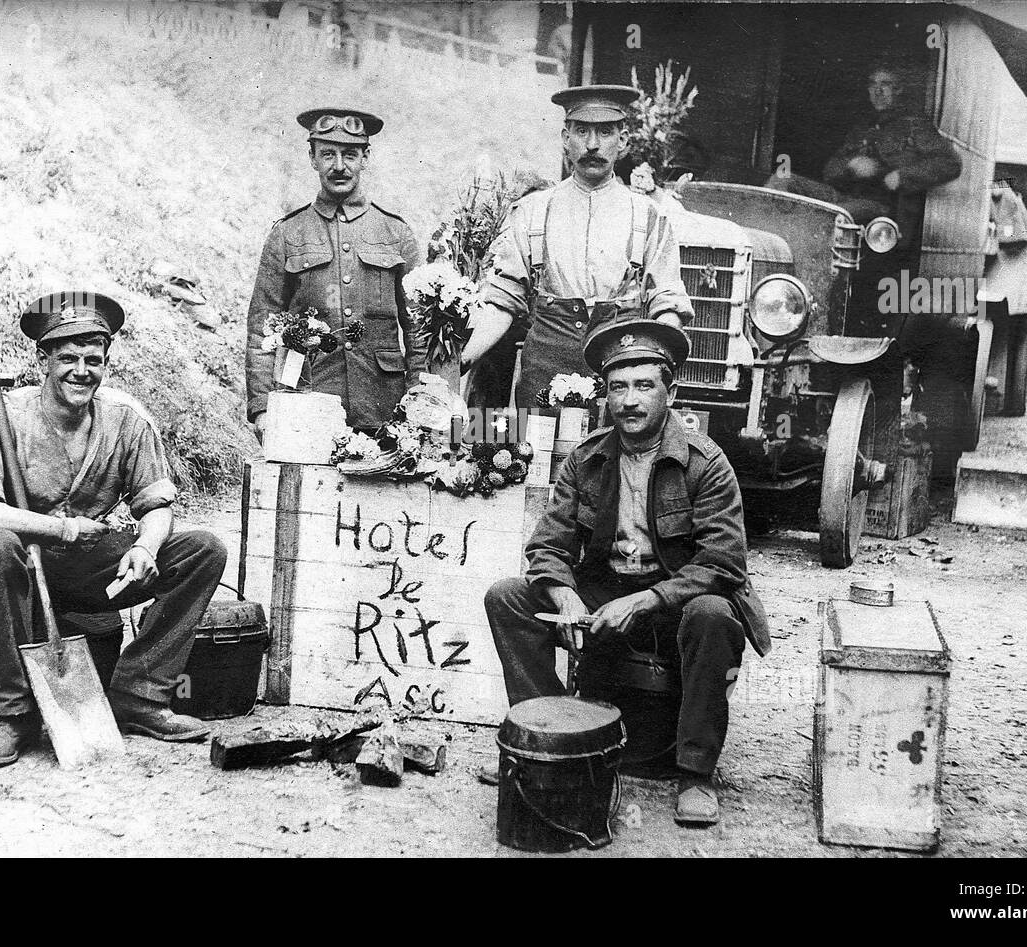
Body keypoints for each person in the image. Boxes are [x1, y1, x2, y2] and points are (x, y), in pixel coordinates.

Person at [483, 319, 770, 826]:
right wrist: (565, 597)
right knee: (507, 596)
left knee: (715, 616)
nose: (630, 401)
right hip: (603, 592)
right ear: (605, 394)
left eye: (644, 386)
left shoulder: (706, 462)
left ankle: (696, 773)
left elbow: (724, 560)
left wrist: (646, 600)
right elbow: (548, 545)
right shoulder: (587, 458)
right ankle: (548, 736)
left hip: (673, 600)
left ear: (671, 390)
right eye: (618, 387)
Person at [0, 291, 227, 767]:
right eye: (68, 358)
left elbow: (157, 504)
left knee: (202, 549)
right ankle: (15, 715)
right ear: (42, 360)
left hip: (95, 570)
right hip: (17, 574)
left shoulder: (127, 420)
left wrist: (144, 546)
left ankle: (139, 694)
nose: (82, 371)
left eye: (93, 360)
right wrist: (61, 530)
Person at [460, 85, 693, 412]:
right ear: (565, 139)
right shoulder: (533, 211)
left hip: (619, 378)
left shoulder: (648, 216)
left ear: (623, 141)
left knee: (612, 461)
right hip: (542, 377)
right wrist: (461, 359)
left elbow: (666, 302)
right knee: (524, 456)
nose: (593, 144)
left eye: (606, 132)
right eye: (582, 131)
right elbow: (503, 300)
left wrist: (659, 367)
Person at [245, 107, 424, 435]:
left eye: (350, 154)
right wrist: (262, 408)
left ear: (365, 158)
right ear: (312, 158)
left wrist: (420, 398)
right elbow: (262, 327)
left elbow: (419, 331)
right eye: (328, 154)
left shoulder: (396, 234)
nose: (339, 166)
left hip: (385, 406)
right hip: (308, 400)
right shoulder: (287, 233)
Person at [769, 65, 961, 244]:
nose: (877, 91)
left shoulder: (914, 125)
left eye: (885, 84)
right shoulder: (861, 128)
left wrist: (902, 176)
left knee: (833, 216)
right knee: (782, 180)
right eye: (872, 84)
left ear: (898, 90)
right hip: (843, 195)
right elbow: (829, 171)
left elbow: (950, 162)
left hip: (882, 206)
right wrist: (850, 166)